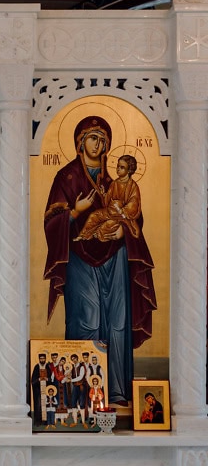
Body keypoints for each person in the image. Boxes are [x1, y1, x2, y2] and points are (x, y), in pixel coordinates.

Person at [43, 115, 156, 404]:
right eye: (93, 137)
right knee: (87, 320)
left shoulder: (115, 179)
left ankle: (117, 390)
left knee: (117, 321)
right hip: (79, 259)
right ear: (80, 142)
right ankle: (82, 397)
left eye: (103, 139)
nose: (99, 143)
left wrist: (124, 228)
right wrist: (76, 212)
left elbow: (135, 214)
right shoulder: (66, 177)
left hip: (115, 255)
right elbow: (51, 221)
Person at [74, 155, 142, 243]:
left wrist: (123, 210)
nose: (118, 169)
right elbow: (107, 201)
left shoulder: (133, 186)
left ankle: (96, 234)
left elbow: (134, 203)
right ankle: (83, 235)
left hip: (121, 216)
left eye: (122, 167)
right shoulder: (115, 183)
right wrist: (103, 194)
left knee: (107, 225)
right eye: (118, 166)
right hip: (110, 211)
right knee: (94, 216)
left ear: (129, 170)